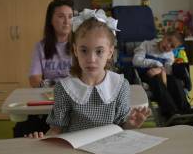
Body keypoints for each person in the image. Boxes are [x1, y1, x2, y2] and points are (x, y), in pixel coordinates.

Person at [41, 8, 151, 137]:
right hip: (74, 152)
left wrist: (131, 125)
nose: (91, 59)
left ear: (110, 52)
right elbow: (56, 130)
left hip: (110, 150)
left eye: (99, 51)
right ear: (75, 50)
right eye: (84, 50)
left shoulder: (120, 85)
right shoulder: (64, 88)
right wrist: (39, 141)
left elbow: (122, 128)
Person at [13, 0, 73, 137]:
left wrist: (52, 83)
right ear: (50, 20)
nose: (67, 21)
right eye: (61, 16)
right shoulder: (41, 46)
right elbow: (34, 79)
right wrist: (57, 86)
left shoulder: (80, 45)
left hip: (73, 101)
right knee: (22, 130)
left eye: (70, 16)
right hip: (49, 101)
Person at [132, 31, 192, 120]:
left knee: (174, 80)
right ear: (165, 35)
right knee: (156, 80)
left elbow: (167, 71)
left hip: (161, 74)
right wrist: (156, 63)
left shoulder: (170, 55)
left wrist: (159, 69)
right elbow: (136, 61)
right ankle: (171, 113)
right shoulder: (147, 45)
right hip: (145, 74)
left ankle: (186, 110)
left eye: (172, 46)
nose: (168, 46)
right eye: (169, 40)